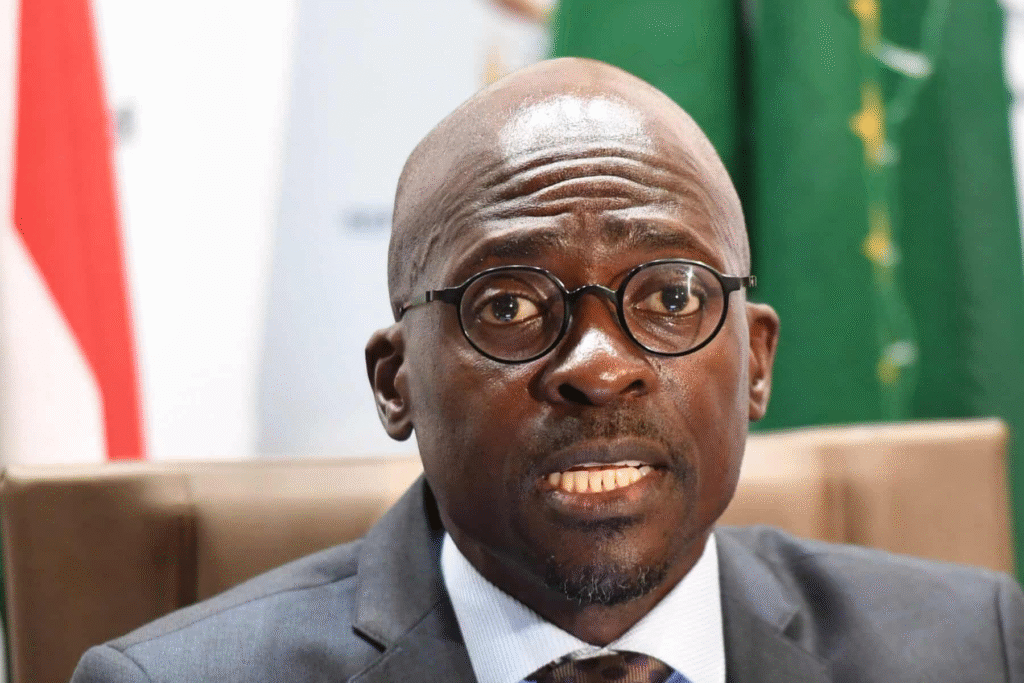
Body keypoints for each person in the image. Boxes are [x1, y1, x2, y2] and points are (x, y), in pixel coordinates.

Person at [71, 58, 1023, 683]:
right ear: (397, 384)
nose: (601, 368)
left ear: (758, 363)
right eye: (509, 307)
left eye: (672, 295)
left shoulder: (973, 645)